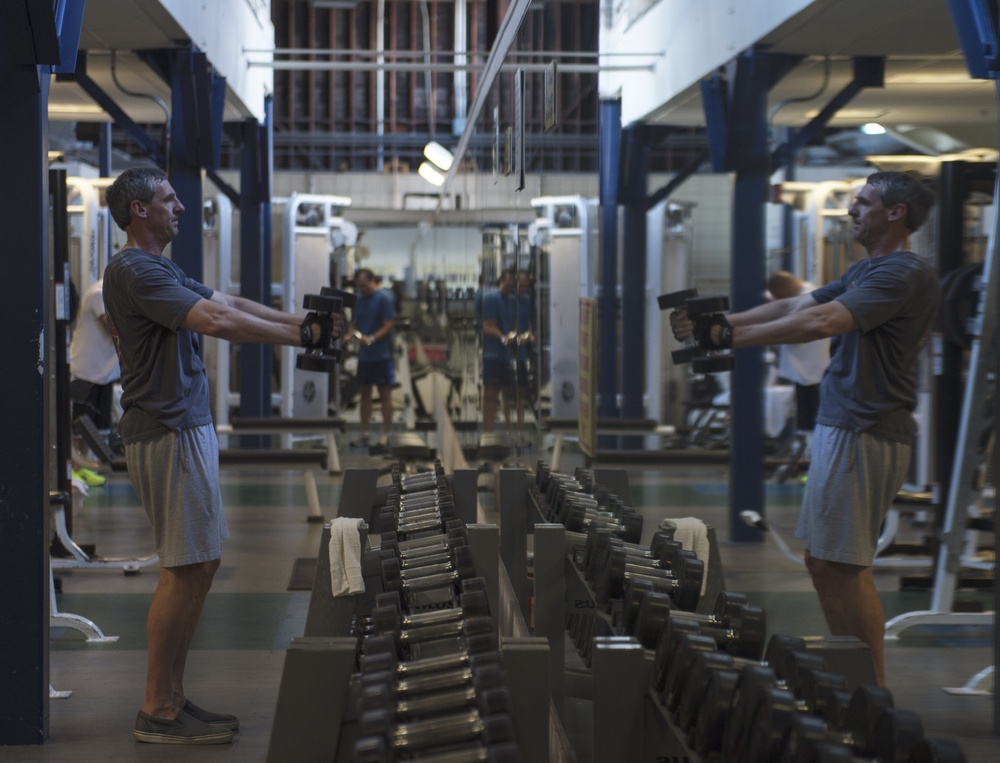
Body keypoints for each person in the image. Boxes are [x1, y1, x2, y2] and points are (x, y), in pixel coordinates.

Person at [102, 167, 343, 745]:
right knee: (183, 568)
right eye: (168, 199)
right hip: (164, 429)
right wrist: (302, 340)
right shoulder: (134, 269)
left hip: (184, 426)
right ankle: (157, 708)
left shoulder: (160, 266)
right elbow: (218, 320)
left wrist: (309, 323)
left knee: (200, 564)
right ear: (139, 210)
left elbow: (229, 299)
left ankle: (173, 698)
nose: (180, 206)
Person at [670, 171, 938, 686]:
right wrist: (719, 322)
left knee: (845, 565)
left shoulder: (902, 273)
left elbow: (822, 323)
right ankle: (849, 672)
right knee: (824, 562)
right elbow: (796, 305)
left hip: (866, 428)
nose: (852, 211)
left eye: (863, 203)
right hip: (843, 426)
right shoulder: (868, 270)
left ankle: (870, 691)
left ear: (895, 213)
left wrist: (730, 339)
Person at [69, 278, 121, 486]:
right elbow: (113, 329)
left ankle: (80, 468)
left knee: (91, 429)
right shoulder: (99, 293)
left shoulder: (117, 297)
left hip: (104, 373)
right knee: (77, 426)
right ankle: (71, 470)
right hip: (85, 371)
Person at [766, 270, 831, 437]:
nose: (780, 300)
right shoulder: (799, 294)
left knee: (816, 414)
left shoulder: (810, 296)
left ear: (789, 286)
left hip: (814, 367)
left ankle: (811, 448)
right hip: (804, 368)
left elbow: (797, 328)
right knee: (806, 416)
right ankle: (804, 444)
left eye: (780, 295)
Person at [349, 268, 396, 448]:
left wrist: (373, 338)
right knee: (364, 395)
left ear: (372, 281)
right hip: (364, 357)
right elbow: (353, 323)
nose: (362, 289)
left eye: (364, 285)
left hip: (381, 355)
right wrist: (349, 334)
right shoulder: (359, 300)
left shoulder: (384, 298)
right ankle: (364, 433)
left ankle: (387, 434)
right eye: (359, 286)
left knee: (385, 395)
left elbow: (389, 324)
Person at [481, 270, 516, 432]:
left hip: (505, 355)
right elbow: (487, 326)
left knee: (507, 395)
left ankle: (508, 432)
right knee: (491, 395)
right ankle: (488, 431)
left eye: (512, 286)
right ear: (501, 281)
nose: (509, 288)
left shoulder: (509, 301)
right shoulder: (491, 298)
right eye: (507, 285)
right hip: (492, 355)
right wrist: (502, 337)